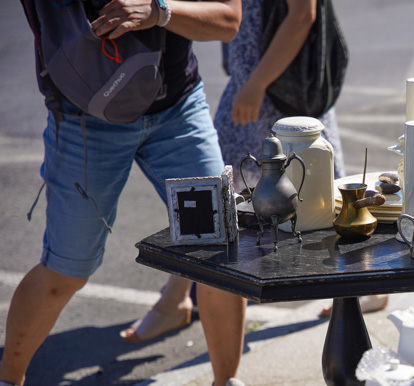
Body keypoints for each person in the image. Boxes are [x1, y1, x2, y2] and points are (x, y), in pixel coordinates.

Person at [2, 0, 264, 386]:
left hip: (177, 109)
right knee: (65, 270)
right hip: (86, 117)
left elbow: (227, 19)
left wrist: (160, 11)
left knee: (218, 251)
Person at [121, 0, 385, 337]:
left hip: (279, 92)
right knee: (220, 199)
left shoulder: (265, 89)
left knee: (316, 199)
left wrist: (257, 84)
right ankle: (174, 300)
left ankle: (361, 286)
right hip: (254, 85)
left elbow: (303, 13)